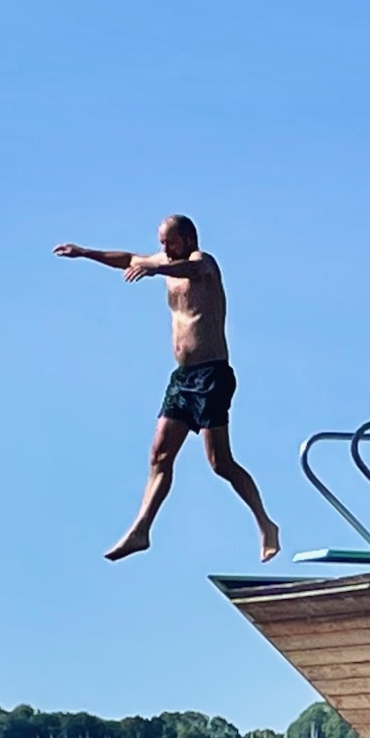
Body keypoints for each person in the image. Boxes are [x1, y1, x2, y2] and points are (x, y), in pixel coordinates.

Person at [55, 215, 280, 563]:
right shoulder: (164, 261)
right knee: (159, 455)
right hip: (182, 378)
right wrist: (85, 253)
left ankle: (266, 525)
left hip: (212, 376)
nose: (164, 248)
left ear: (188, 238)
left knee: (220, 462)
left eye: (170, 242)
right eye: (161, 243)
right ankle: (141, 530)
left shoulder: (202, 262)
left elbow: (191, 270)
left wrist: (155, 268)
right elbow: (128, 258)